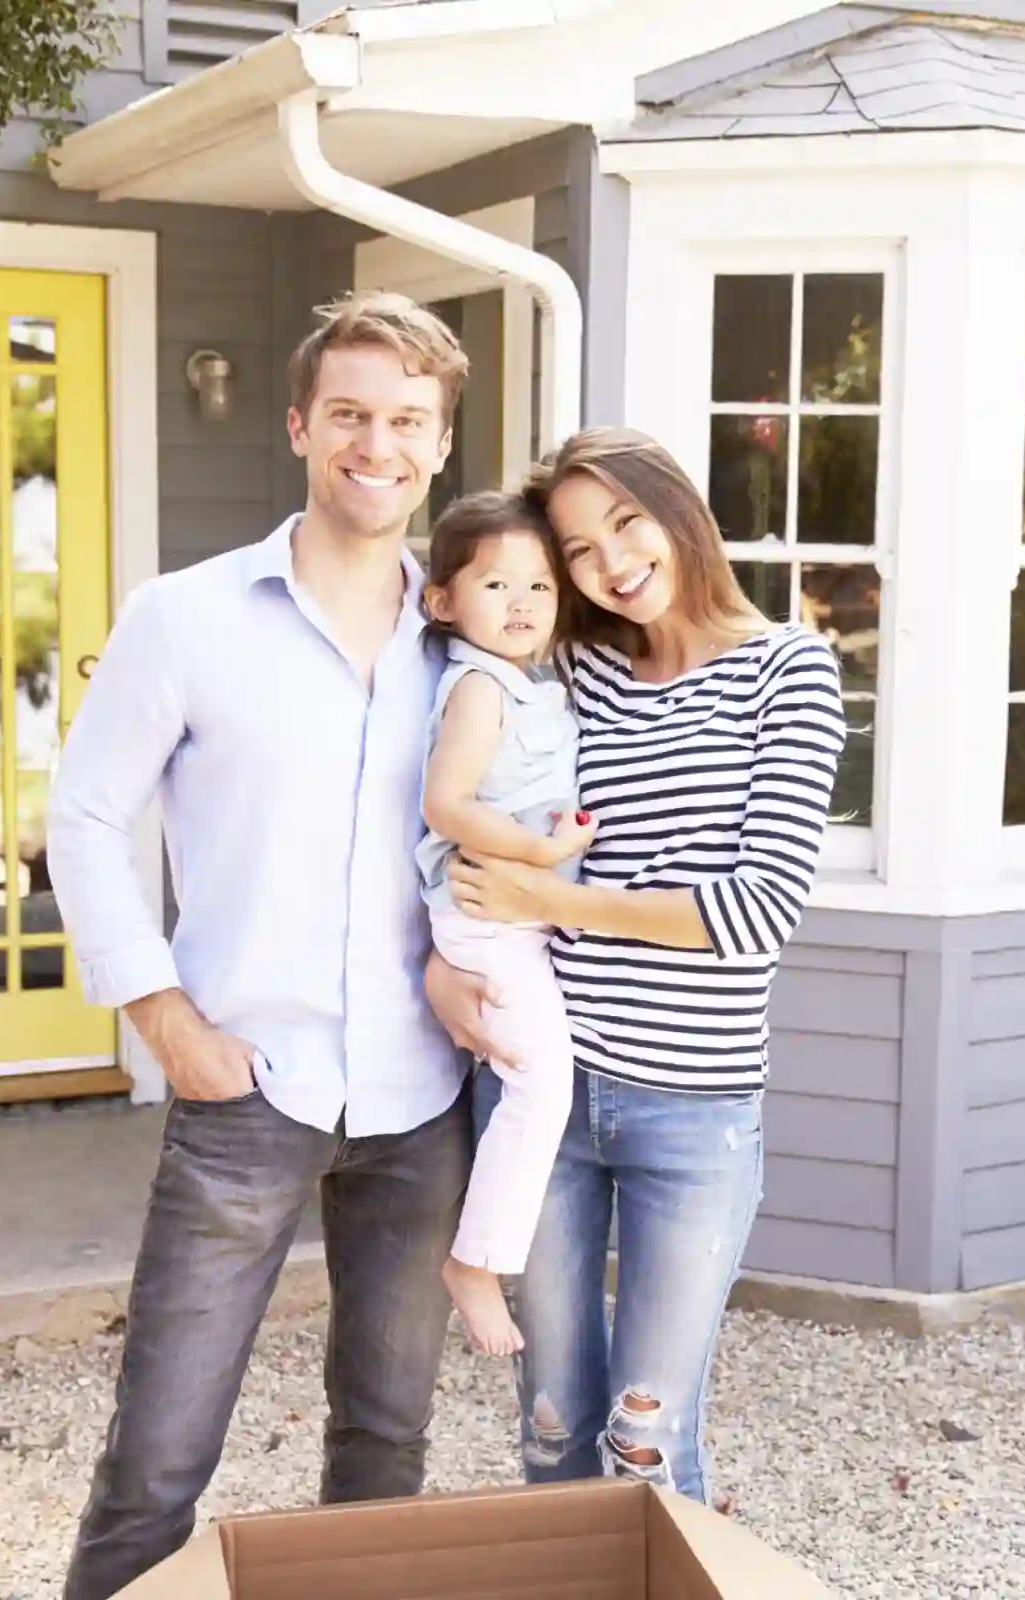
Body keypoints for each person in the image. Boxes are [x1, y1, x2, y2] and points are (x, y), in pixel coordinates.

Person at [47, 291, 473, 1600]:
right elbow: (83, 812)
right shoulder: (186, 617)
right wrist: (160, 1014)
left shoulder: (469, 640)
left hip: (422, 1096)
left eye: (408, 420)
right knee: (160, 1460)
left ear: (442, 445)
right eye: (350, 413)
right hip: (245, 1089)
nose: (376, 444)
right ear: (300, 425)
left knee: (387, 1441)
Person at [425, 427, 847, 1508]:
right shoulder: (576, 670)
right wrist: (440, 968)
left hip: (694, 1115)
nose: (608, 563)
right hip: (544, 1091)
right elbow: (445, 746)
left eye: (624, 523)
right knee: (551, 1421)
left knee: (647, 1434)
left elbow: (757, 911)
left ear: (678, 508)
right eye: (575, 549)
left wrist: (549, 899)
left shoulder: (789, 669)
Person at [412, 490, 592, 1357]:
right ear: (443, 600)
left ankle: (482, 1255)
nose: (522, 605)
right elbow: (445, 804)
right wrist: (539, 853)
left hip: (516, 915)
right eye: (495, 586)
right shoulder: (479, 688)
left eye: (540, 587)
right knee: (539, 1084)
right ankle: (475, 1263)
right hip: (487, 914)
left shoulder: (534, 684)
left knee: (535, 1079)